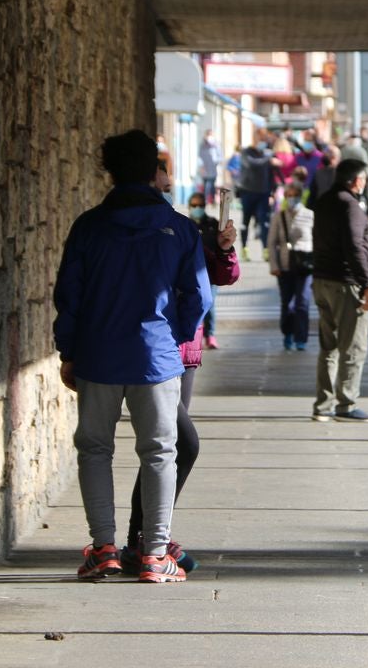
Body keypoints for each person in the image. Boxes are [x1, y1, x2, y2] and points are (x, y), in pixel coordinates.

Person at [53, 129, 212, 583]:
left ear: (110, 170)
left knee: (95, 449)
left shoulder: (88, 227)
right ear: (152, 172)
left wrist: (70, 350)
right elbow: (198, 296)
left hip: (98, 354)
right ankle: (154, 554)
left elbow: (70, 295)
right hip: (156, 357)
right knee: (161, 451)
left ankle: (103, 549)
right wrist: (173, 335)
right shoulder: (179, 229)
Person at [121, 178, 240, 574]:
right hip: (160, 352)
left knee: (164, 446)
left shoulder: (183, 232)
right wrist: (182, 327)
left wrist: (224, 251)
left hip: (184, 356)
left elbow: (218, 278)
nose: (168, 190)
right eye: (162, 183)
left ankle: (146, 536)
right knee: (177, 444)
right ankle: (146, 540)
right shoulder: (138, 235)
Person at [310, 159, 368, 422]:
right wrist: (367, 283)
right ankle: (346, 404)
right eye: (364, 179)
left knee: (329, 346)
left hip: (322, 281)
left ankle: (323, 405)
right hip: (346, 284)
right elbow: (355, 247)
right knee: (353, 346)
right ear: (356, 180)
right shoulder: (350, 206)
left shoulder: (325, 201)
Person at [268, 182, 314, 351]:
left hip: (304, 266)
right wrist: (274, 265)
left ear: (300, 196)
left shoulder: (309, 215)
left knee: (302, 302)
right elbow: (271, 243)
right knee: (287, 303)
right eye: (288, 195)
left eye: (294, 195)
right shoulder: (278, 217)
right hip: (285, 266)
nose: (291, 198)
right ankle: (287, 333)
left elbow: (315, 240)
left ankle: (301, 338)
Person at [186, 192, 222, 349]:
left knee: (210, 303)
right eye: (194, 205)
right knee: (194, 304)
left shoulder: (213, 224)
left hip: (209, 272)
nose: (197, 208)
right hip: (190, 272)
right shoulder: (184, 224)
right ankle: (196, 335)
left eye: (200, 205)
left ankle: (210, 334)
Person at [236, 130, 275, 261]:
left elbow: (270, 175)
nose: (263, 142)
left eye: (264, 140)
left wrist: (272, 192)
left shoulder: (266, 153)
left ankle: (266, 250)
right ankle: (244, 249)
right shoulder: (246, 153)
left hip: (263, 193)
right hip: (247, 192)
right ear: (254, 140)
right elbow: (253, 165)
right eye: (260, 139)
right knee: (245, 222)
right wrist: (268, 158)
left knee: (264, 223)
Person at [306, 144, 343, 210]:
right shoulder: (318, 173)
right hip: (323, 209)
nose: (326, 155)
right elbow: (313, 194)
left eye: (330, 154)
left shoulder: (342, 174)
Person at [197, 129, 221, 204]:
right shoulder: (202, 145)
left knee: (211, 185)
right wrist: (201, 166)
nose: (209, 136)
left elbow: (220, 157)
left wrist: (215, 161)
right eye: (208, 135)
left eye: (211, 135)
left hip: (213, 169)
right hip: (204, 169)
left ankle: (212, 199)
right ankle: (206, 200)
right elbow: (199, 156)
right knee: (206, 185)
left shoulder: (216, 145)